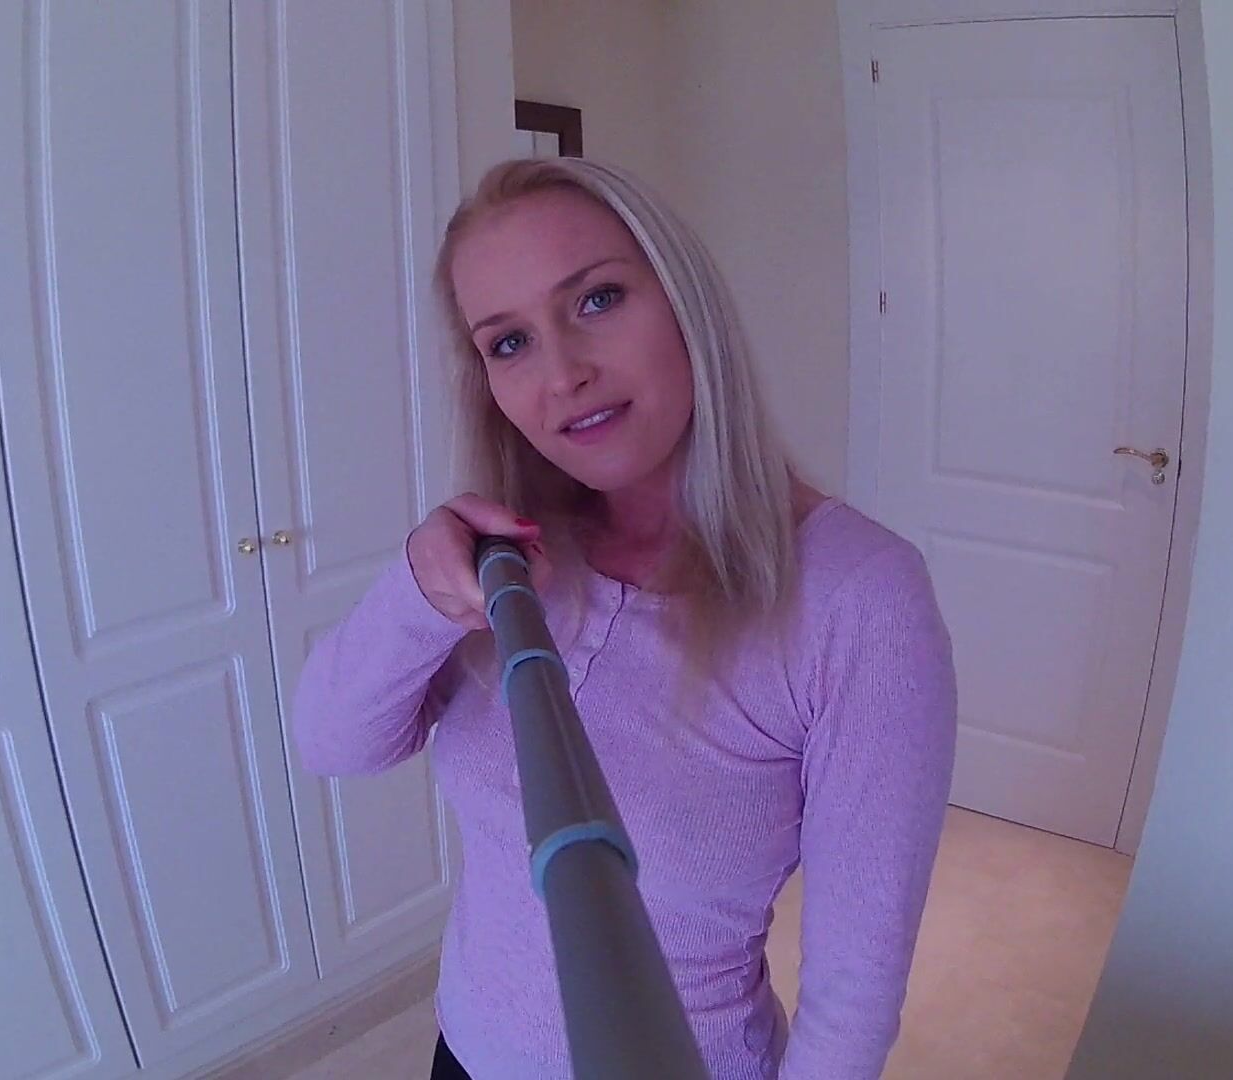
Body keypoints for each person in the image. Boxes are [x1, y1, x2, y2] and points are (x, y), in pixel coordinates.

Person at [291, 157, 956, 1079]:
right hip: (464, 1051)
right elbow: (332, 744)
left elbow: (855, 988)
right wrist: (419, 593)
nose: (563, 374)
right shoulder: (507, 560)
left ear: (685, 303)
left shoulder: (859, 597)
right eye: (509, 343)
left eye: (598, 299)